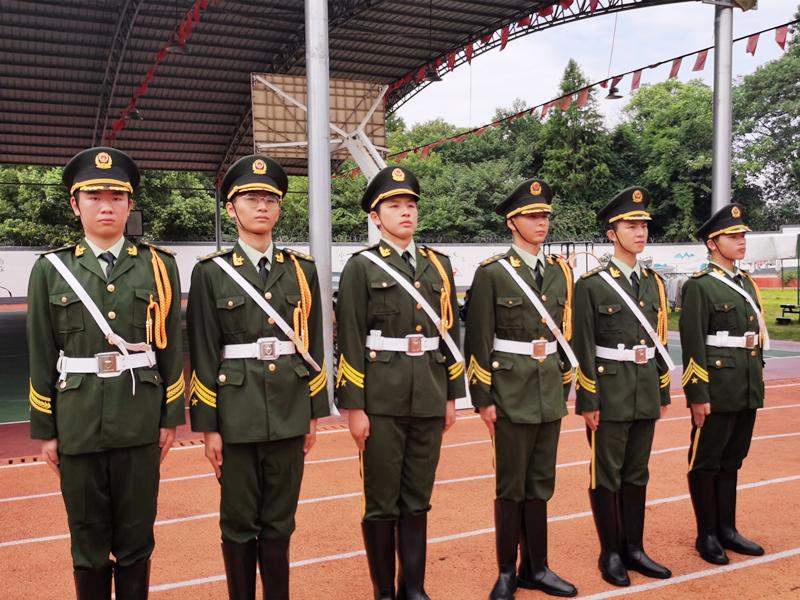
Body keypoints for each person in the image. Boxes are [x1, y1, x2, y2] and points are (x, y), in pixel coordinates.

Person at [27, 147, 185, 600]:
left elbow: (170, 349)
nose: (106, 206)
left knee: (136, 539)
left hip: (139, 421)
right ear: (75, 205)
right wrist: (46, 430)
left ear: (130, 204)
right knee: (88, 541)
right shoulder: (51, 269)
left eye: (116, 197)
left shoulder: (159, 265)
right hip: (77, 424)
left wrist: (170, 417)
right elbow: (42, 354)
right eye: (94, 197)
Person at [186, 155, 329, 600]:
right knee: (238, 521)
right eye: (251, 198)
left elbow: (314, 345)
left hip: (289, 410)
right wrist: (209, 427)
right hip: (236, 415)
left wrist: (312, 413)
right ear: (232, 208)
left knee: (280, 521)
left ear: (280, 207)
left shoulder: (302, 269)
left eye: (270, 199)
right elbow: (204, 352)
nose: (262, 206)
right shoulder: (211, 271)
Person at [335, 165, 465, 600]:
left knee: (417, 496)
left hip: (429, 391)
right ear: (375, 217)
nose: (406, 212)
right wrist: (355, 407)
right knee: (381, 500)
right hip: (381, 399)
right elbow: (350, 338)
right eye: (394, 206)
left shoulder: (438, 265)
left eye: (411, 205)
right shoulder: (361, 267)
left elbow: (450, 334)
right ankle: (384, 593)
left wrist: (451, 395)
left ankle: (414, 588)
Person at [464, 179, 577, 599]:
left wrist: (564, 384)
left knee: (540, 482)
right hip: (509, 391)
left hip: (549, 391)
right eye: (532, 216)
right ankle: (506, 573)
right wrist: (484, 399)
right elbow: (478, 340)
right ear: (512, 222)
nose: (541, 222)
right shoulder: (493, 272)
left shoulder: (561, 272)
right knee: (511, 485)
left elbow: (566, 335)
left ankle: (537, 568)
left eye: (545, 215)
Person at [572, 187, 673, 587]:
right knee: (606, 473)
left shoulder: (654, 283)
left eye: (643, 225)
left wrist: (662, 390)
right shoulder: (592, 284)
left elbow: (660, 341)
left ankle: (635, 549)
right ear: (612, 234)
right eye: (631, 226)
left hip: (644, 387)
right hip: (609, 391)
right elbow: (582, 345)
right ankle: (610, 552)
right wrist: (588, 398)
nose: (640, 232)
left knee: (637, 473)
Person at [680, 203, 767, 565]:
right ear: (712, 243)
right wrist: (697, 394)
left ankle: (727, 529)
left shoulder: (745, 282)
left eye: (742, 234)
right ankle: (707, 534)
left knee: (732, 459)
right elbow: (693, 344)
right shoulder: (700, 286)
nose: (741, 240)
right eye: (733, 236)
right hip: (716, 387)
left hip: (745, 385)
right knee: (706, 460)